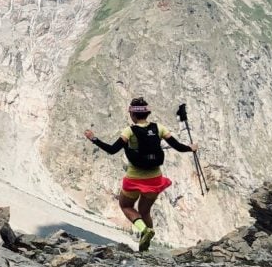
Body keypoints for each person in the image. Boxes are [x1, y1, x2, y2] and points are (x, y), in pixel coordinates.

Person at [84, 96, 197, 251]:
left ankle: (144, 230)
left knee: (125, 206)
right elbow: (177, 146)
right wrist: (191, 148)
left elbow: (112, 150)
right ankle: (146, 246)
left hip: (134, 179)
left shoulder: (129, 131)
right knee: (145, 211)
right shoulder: (160, 128)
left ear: (132, 114)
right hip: (154, 179)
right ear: (147, 113)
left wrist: (94, 138)